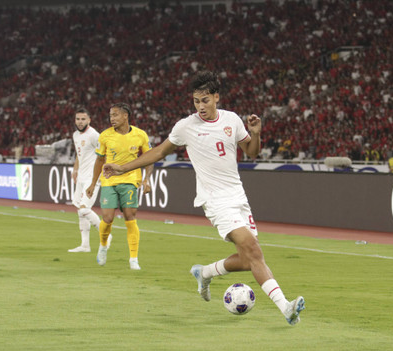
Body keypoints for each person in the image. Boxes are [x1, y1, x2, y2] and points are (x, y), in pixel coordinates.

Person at [101, 71, 305, 325]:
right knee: (254, 250)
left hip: (238, 196)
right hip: (214, 200)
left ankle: (204, 272)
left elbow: (251, 152)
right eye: (196, 101)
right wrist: (123, 168)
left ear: (216, 97)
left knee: (248, 259)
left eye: (205, 100)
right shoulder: (186, 126)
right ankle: (286, 308)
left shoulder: (232, 120)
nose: (200, 106)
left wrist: (256, 133)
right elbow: (158, 152)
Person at [86, 103, 153, 270]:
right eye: (110, 115)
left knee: (130, 216)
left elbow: (149, 157)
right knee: (107, 218)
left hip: (130, 180)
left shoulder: (140, 135)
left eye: (115, 115)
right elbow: (99, 160)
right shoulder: (105, 136)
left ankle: (133, 259)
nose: (112, 119)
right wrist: (93, 183)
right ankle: (103, 246)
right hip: (109, 180)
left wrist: (147, 180)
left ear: (125, 116)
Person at [68, 107, 110, 253]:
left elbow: (103, 155)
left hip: (92, 178)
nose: (80, 122)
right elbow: (79, 155)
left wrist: (101, 175)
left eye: (83, 119)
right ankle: (85, 245)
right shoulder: (75, 135)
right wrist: (75, 169)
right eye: (78, 119)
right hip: (81, 176)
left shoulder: (94, 135)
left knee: (84, 209)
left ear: (89, 120)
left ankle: (106, 234)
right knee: (80, 210)